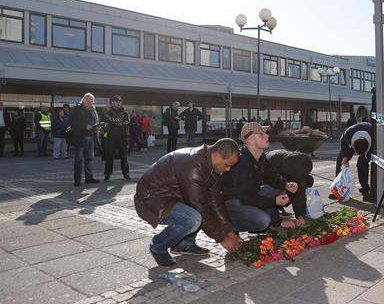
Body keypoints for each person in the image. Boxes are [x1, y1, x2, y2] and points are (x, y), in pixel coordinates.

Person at [134, 138, 242, 266]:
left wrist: (229, 231)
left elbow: (216, 201)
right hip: (151, 199)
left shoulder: (211, 164)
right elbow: (199, 207)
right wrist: (222, 239)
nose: (228, 170)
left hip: (172, 196)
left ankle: (184, 244)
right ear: (218, 156)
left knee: (198, 209)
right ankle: (157, 246)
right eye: (227, 165)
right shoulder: (194, 167)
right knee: (192, 218)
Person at [221, 122, 299, 233]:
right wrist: (274, 203)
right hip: (233, 203)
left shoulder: (260, 157)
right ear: (250, 140)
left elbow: (272, 178)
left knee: (279, 187)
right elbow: (247, 198)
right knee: (262, 221)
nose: (267, 136)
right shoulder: (241, 162)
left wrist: (287, 185)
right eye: (262, 134)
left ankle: (271, 220)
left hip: (249, 197)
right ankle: (231, 226)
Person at [265, 149, 314, 227]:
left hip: (281, 179)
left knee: (300, 184)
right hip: (256, 195)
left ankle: (277, 210)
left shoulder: (296, 164)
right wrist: (278, 221)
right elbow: (263, 197)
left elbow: (299, 190)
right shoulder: (270, 164)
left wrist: (300, 215)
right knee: (277, 189)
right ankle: (269, 218)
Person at [330, 122, 373, 200]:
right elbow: (342, 142)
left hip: (369, 141)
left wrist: (366, 157)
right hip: (353, 138)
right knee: (341, 160)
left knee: (362, 165)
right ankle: (338, 189)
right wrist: (345, 156)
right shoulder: (348, 134)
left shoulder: (374, 134)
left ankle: (365, 190)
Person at [69, 93, 101, 186]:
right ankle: (77, 180)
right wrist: (84, 126)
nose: (90, 102)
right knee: (79, 159)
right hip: (80, 137)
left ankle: (89, 178)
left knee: (89, 158)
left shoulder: (93, 110)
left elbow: (95, 121)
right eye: (88, 100)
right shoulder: (77, 109)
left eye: (91, 101)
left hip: (91, 137)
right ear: (83, 100)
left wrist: (97, 127)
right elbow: (71, 122)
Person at [102, 95, 130, 182]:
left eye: (120, 101)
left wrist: (115, 123)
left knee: (124, 157)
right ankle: (107, 174)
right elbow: (103, 122)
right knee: (109, 157)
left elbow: (127, 122)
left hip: (123, 137)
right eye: (117, 101)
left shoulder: (125, 113)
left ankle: (126, 173)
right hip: (110, 137)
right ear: (112, 102)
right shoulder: (107, 112)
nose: (118, 103)